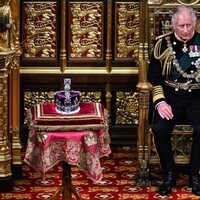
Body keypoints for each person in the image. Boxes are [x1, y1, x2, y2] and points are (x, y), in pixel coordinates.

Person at [148, 5, 200, 196]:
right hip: (171, 97)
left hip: (196, 97)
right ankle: (169, 173)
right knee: (160, 128)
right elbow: (154, 77)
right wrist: (160, 102)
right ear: (173, 26)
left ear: (194, 24)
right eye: (181, 26)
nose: (186, 30)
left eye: (189, 25)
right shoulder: (162, 44)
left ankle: (195, 174)